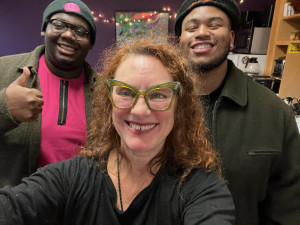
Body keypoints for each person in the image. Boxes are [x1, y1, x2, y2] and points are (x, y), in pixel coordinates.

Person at [0, 39, 235, 224]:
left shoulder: (202, 189)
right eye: (126, 92)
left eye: (159, 94)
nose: (140, 110)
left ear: (179, 106)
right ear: (108, 101)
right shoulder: (71, 177)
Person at [174, 0, 300, 224]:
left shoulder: (274, 113)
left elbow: (288, 205)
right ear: (180, 42)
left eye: (214, 25)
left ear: (231, 38)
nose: (202, 33)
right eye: (191, 28)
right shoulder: (154, 105)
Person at [0, 0, 98, 187]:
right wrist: (4, 108)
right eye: (59, 25)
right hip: (17, 209)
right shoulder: (3, 70)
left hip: (80, 210)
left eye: (80, 31)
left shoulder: (102, 90)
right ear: (44, 29)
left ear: (90, 43)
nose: (68, 35)